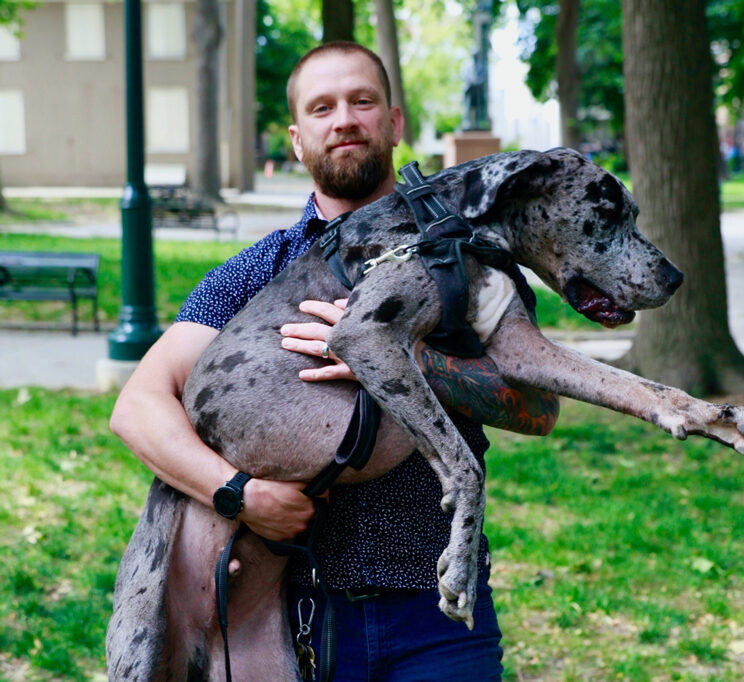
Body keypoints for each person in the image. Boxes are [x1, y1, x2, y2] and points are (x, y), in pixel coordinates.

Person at [110, 41, 559, 680]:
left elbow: (540, 409)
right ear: (298, 139)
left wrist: (412, 364)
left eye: (362, 101)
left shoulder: (464, 266)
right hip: (293, 616)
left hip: (438, 616)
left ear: (394, 123)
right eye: (322, 108)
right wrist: (238, 494)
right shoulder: (255, 276)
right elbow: (138, 405)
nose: (344, 119)